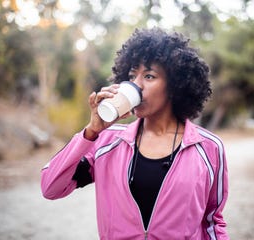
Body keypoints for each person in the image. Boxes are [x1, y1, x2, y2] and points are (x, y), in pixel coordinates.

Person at [41, 27, 229, 239]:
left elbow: (213, 221)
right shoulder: (107, 142)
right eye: (131, 75)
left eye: (149, 76)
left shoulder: (209, 148)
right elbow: (50, 187)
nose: (135, 85)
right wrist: (91, 132)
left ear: (176, 86)